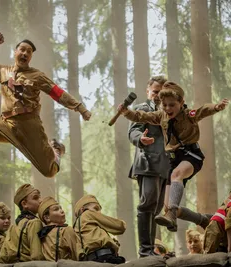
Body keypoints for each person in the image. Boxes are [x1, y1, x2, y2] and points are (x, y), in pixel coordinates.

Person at [0, 32, 92, 189]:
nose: (25, 53)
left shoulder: (37, 75)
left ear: (30, 57)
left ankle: (56, 149)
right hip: (8, 125)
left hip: (30, 126)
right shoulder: (3, 71)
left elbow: (57, 93)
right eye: (22, 49)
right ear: (15, 52)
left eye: (29, 52)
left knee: (48, 171)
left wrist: (80, 108)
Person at [118, 81, 229, 231]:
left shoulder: (188, 115)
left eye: (172, 105)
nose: (168, 109)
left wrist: (216, 107)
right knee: (169, 208)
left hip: (191, 155)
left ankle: (172, 216)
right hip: (174, 159)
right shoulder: (161, 115)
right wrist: (126, 112)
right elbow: (141, 116)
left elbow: (202, 110)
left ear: (181, 102)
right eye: (165, 105)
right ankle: (202, 219)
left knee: (177, 176)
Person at [128, 75, 170, 257]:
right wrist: (140, 139)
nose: (158, 95)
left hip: (165, 166)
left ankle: (150, 248)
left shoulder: (169, 111)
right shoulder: (142, 109)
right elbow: (133, 131)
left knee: (156, 208)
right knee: (147, 204)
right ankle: (145, 250)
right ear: (148, 91)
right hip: (147, 163)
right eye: (155, 91)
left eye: (162, 92)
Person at [73, 195, 126, 264]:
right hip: (104, 258)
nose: (99, 213)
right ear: (83, 209)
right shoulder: (88, 214)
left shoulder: (75, 227)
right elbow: (119, 227)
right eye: (96, 208)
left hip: (90, 262)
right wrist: (123, 224)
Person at [0, 184, 44, 263]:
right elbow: (37, 256)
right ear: (24, 204)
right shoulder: (34, 223)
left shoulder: (14, 226)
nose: (41, 200)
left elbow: (2, 257)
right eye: (36, 198)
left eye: (40, 197)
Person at [37, 196, 79, 261]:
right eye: (56, 209)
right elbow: (76, 255)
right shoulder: (66, 230)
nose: (62, 211)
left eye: (61, 208)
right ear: (47, 218)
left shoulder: (42, 235)